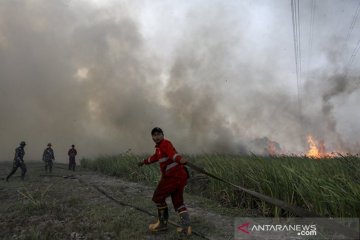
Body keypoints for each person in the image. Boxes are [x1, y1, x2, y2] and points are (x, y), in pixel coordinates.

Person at [138, 127, 191, 239]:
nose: (156, 137)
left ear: (163, 135)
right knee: (178, 201)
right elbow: (154, 158)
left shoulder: (165, 144)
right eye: (154, 135)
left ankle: (162, 225)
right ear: (152, 137)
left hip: (173, 177)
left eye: (158, 134)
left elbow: (173, 154)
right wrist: (143, 162)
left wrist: (180, 159)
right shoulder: (158, 149)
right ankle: (186, 228)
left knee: (158, 197)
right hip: (180, 176)